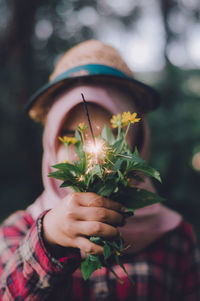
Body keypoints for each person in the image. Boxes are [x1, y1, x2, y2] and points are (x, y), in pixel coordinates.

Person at [0, 40, 199, 301]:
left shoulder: (175, 238)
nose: (89, 153)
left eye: (111, 135)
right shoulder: (18, 232)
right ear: (50, 145)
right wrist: (48, 240)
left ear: (136, 142)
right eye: (71, 135)